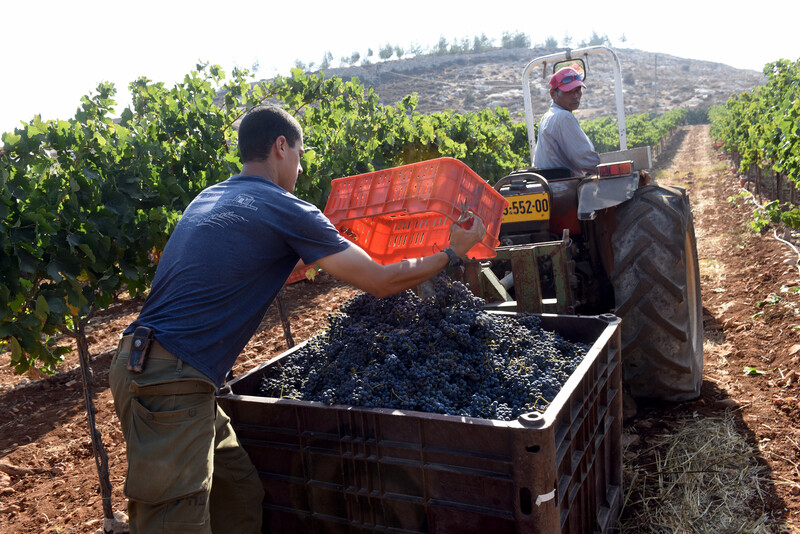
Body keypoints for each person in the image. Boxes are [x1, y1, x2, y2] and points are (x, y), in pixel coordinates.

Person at [109, 104, 486, 533]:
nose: (301, 169)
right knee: (175, 523)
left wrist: (305, 258)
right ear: (281, 146)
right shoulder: (285, 207)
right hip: (169, 378)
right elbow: (379, 282)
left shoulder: (213, 195)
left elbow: (235, 262)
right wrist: (452, 252)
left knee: (239, 494)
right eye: (301, 155)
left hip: (156, 367)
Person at [532, 66, 601, 176]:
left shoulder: (548, 116)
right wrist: (605, 167)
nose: (575, 96)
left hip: (552, 184)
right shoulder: (563, 117)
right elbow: (585, 159)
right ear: (553, 94)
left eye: (578, 90)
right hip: (564, 187)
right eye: (568, 91)